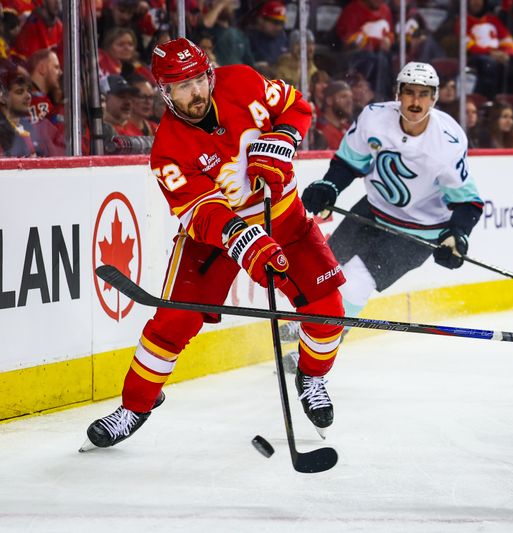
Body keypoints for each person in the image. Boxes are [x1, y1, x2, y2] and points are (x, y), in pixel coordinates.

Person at [82, 37, 346, 450]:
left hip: (285, 217)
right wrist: (245, 240)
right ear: (164, 93)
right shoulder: (168, 151)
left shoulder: (242, 80)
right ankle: (135, 406)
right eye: (182, 86)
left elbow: (297, 105)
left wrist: (281, 142)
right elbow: (203, 215)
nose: (196, 92)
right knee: (174, 322)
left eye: (199, 80)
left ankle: (312, 377)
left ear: (209, 73)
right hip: (213, 240)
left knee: (328, 308)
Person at [292, 62, 484, 364]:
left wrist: (457, 235)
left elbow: (469, 203)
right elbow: (347, 163)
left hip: (420, 231)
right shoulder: (374, 118)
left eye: (424, 94)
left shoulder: (447, 142)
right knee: (326, 270)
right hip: (373, 210)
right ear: (398, 93)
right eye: (409, 93)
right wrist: (330, 186)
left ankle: (319, 350)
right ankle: (312, 323)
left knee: (356, 279)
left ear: (434, 99)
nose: (416, 102)